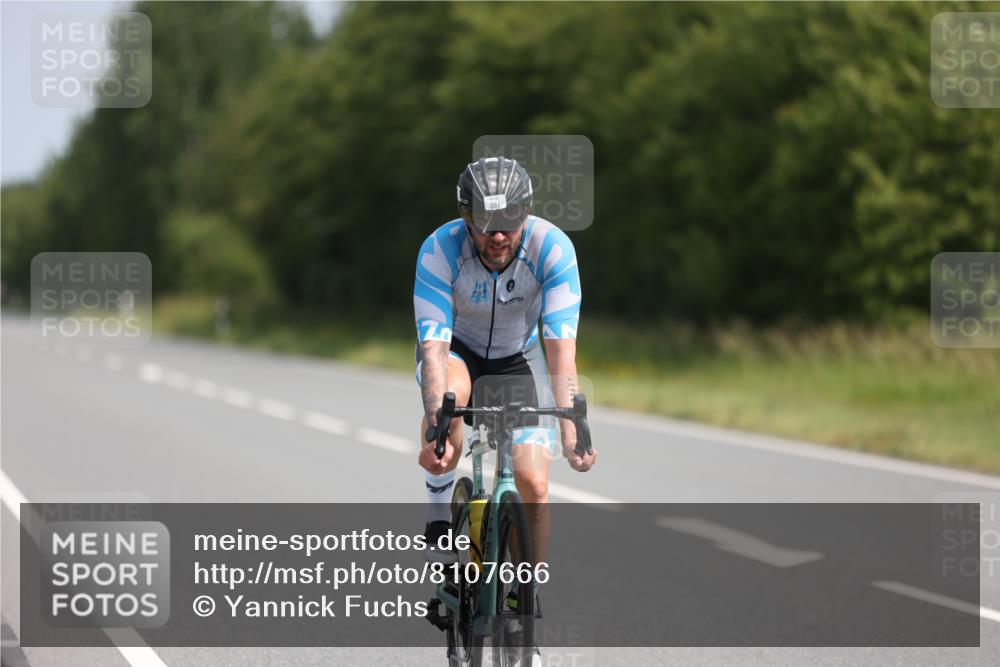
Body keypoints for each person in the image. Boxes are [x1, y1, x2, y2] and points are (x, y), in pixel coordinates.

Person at [413, 155, 598, 569]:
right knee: (450, 399)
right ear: (465, 218)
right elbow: (433, 349)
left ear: (527, 213)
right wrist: (437, 426)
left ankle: (523, 602)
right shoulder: (439, 251)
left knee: (533, 483)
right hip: (458, 350)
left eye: (509, 221)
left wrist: (572, 429)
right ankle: (438, 510)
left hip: (519, 355)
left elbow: (561, 354)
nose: (497, 236)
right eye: (484, 223)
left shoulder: (553, 250)